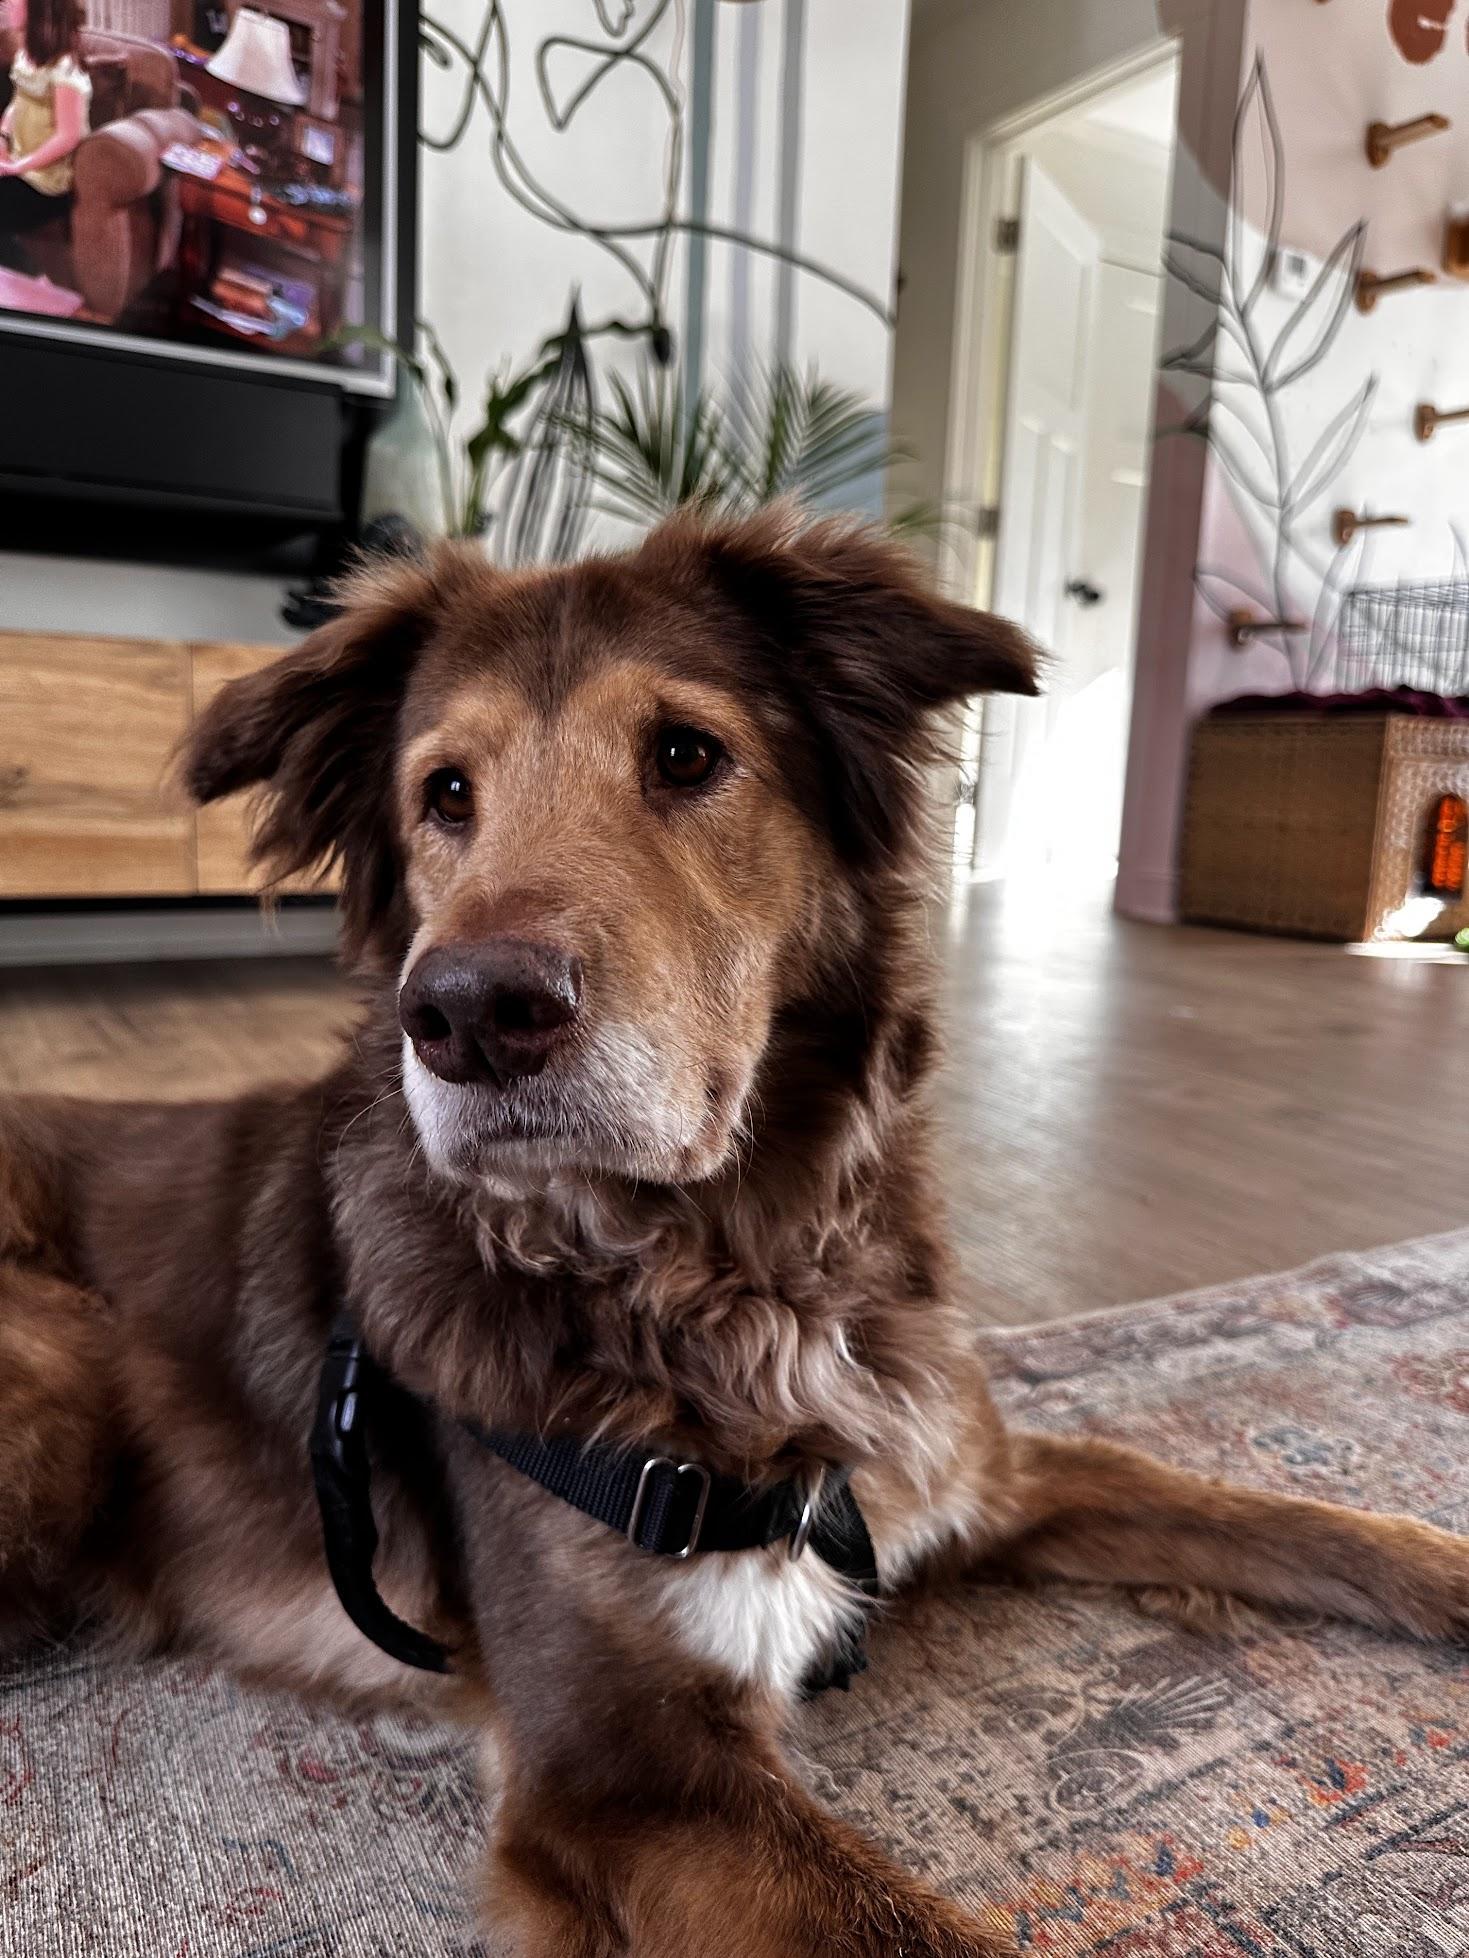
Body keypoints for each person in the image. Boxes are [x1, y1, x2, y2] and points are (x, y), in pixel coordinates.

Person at [0, 0, 90, 274]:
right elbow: (18, 102)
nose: (5, 4)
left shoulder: (65, 69)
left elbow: (68, 136)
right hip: (16, 163)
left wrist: (18, 167)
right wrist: (3, 137)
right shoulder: (26, 53)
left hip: (45, 181)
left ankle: (35, 288)